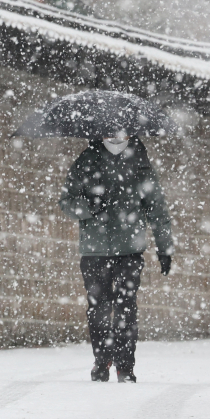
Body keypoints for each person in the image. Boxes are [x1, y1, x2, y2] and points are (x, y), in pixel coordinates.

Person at [59, 133, 174, 383]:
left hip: (129, 251)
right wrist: (89, 204)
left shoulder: (140, 163)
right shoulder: (86, 161)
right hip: (95, 251)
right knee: (98, 308)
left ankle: (125, 366)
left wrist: (165, 248)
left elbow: (157, 208)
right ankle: (102, 360)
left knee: (126, 307)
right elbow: (66, 202)